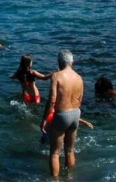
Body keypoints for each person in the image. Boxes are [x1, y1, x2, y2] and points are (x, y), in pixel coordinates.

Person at [41, 49, 85, 178]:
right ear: (72, 62)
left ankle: (55, 180)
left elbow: (52, 100)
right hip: (76, 113)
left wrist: (45, 119)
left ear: (59, 62)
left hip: (62, 115)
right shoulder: (79, 78)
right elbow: (80, 100)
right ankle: (70, 178)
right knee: (70, 150)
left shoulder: (57, 76)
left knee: (55, 153)